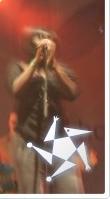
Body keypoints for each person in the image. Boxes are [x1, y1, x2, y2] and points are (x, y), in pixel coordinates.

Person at [6, 27, 83, 193]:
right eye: (39, 36)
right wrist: (35, 63)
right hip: (27, 138)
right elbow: (15, 88)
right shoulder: (19, 66)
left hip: (59, 138)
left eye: (48, 37)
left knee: (71, 189)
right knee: (31, 190)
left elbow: (72, 92)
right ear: (30, 43)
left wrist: (55, 67)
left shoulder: (61, 69)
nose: (44, 40)